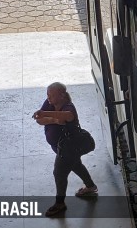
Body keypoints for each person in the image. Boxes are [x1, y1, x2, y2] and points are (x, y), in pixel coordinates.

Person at [32, 82, 98, 217]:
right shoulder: (49, 103)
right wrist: (54, 120)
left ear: (62, 95)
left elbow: (68, 116)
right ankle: (90, 186)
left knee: (59, 173)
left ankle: (59, 203)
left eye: (52, 95)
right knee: (75, 164)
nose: (49, 98)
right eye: (48, 95)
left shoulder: (69, 107)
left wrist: (45, 114)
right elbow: (39, 120)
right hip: (59, 147)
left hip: (69, 148)